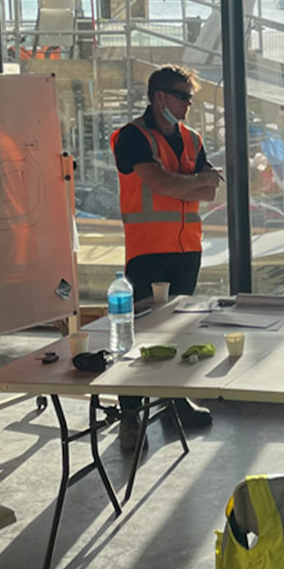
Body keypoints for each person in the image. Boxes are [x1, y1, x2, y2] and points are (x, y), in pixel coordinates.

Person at [111, 65, 224, 446]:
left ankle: (176, 401)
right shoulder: (132, 137)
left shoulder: (191, 139)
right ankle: (130, 415)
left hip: (187, 249)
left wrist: (187, 185)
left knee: (179, 331)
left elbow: (209, 193)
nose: (188, 104)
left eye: (190, 97)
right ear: (159, 97)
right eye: (182, 96)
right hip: (147, 250)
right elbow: (159, 181)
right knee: (137, 334)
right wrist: (195, 183)